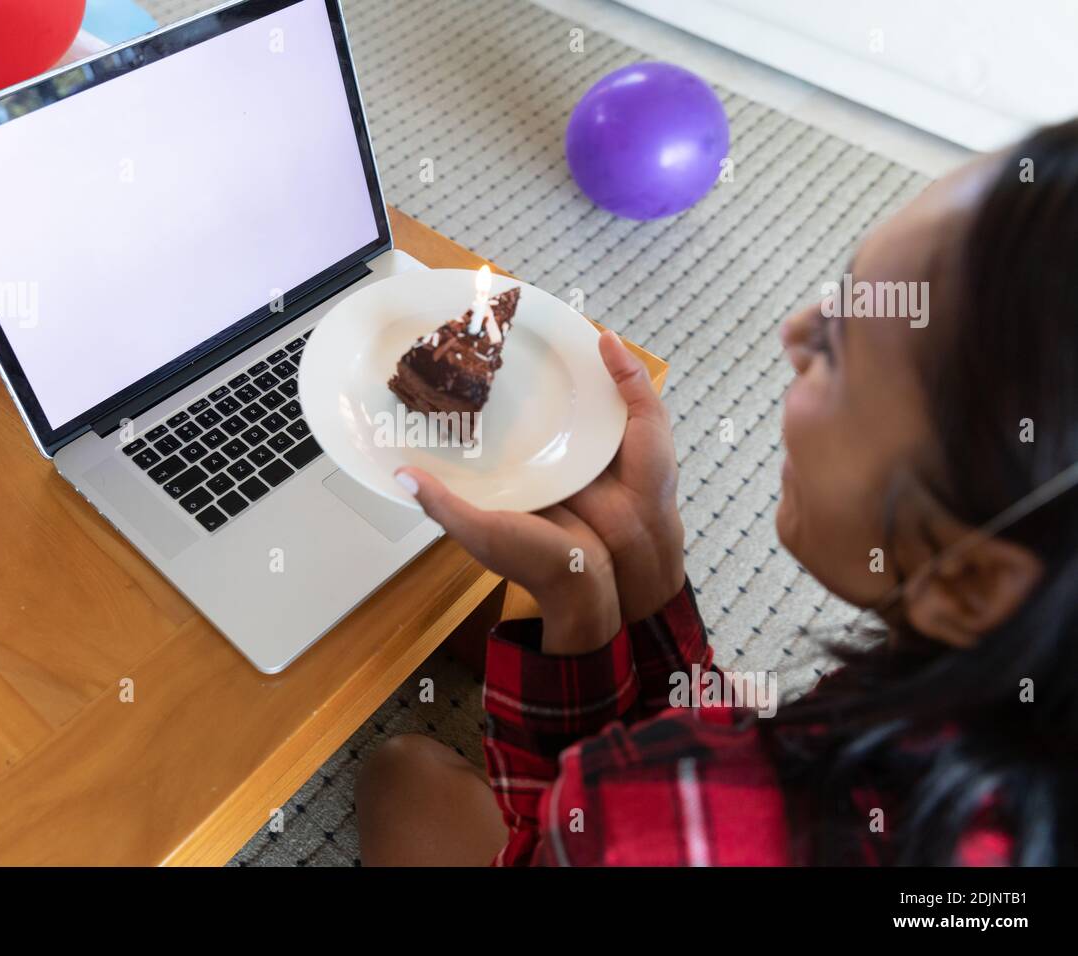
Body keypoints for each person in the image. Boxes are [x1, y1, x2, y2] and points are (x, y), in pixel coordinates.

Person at [355, 119, 1078, 867]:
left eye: (838, 347)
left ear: (966, 582)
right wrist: (643, 550)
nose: (795, 332)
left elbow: (565, 839)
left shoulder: (672, 832)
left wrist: (576, 608)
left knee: (400, 771)